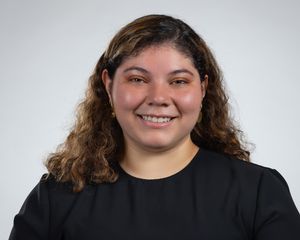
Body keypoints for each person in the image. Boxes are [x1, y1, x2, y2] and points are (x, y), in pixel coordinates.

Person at [9, 14, 300, 240]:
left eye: (179, 81)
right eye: (137, 79)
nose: (159, 98)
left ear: (203, 88)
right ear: (108, 85)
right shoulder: (54, 198)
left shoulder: (259, 192)